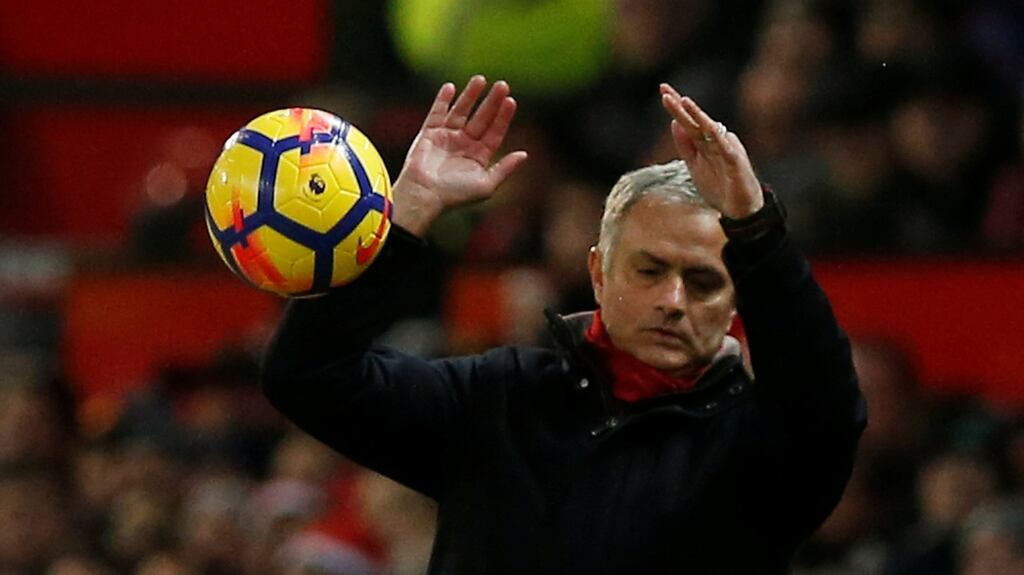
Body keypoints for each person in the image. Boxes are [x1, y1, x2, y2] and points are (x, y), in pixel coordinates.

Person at [261, 76, 866, 574]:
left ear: (739, 302)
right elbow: (309, 376)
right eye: (649, 270)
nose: (674, 300)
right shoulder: (497, 399)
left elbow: (829, 409)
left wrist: (757, 228)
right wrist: (407, 219)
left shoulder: (762, 444)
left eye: (705, 281)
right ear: (599, 275)